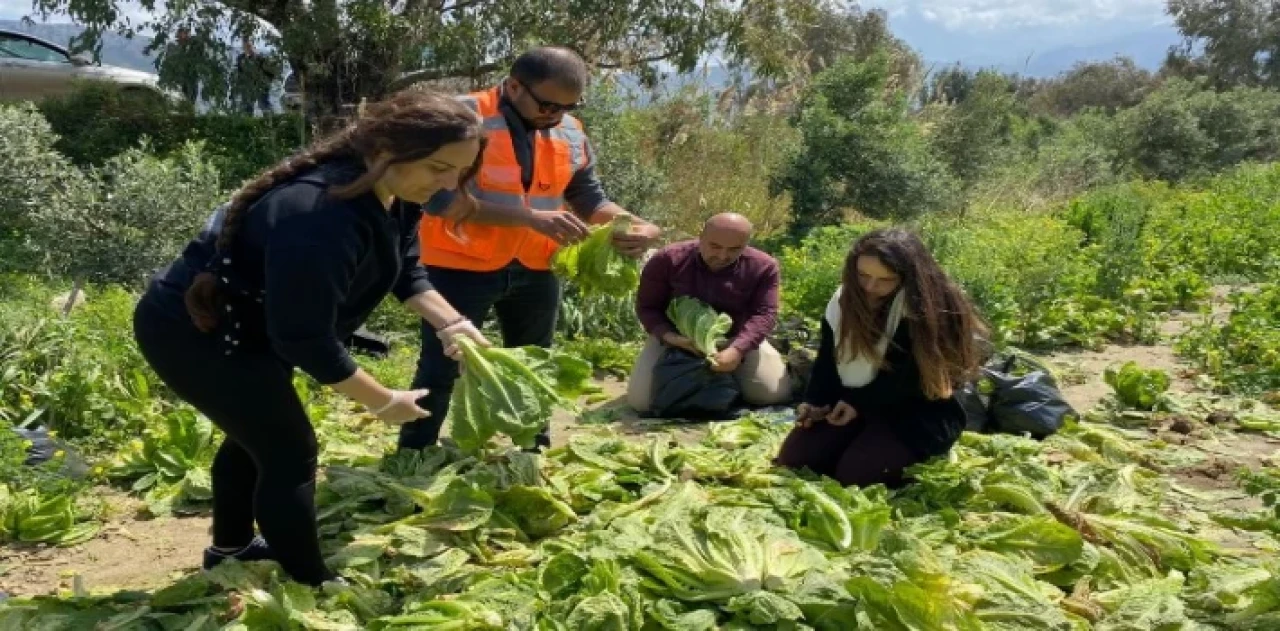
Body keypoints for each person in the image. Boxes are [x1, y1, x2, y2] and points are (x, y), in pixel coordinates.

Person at [131, 90, 492, 586]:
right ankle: (312, 580)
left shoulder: (396, 193)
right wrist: (383, 401)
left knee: (255, 436)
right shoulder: (320, 214)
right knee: (289, 452)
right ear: (386, 148)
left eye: (459, 170)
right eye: (437, 167)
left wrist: (453, 323)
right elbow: (304, 338)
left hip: (255, 327)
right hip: (195, 332)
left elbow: (405, 269)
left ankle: (230, 549)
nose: (449, 183)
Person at [400, 46, 663, 451]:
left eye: (568, 106)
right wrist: (529, 217)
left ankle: (532, 449)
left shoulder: (570, 130)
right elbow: (439, 201)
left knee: (536, 362)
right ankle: (413, 454)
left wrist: (635, 224)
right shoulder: (460, 116)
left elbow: (590, 199)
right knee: (441, 366)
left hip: (536, 267)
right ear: (514, 85)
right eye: (547, 105)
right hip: (458, 265)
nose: (555, 115)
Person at [774, 228, 987, 488]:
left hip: (915, 409)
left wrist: (857, 404)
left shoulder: (929, 309)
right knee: (796, 459)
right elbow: (829, 358)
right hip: (856, 400)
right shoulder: (844, 299)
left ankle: (924, 452)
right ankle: (860, 438)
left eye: (885, 279)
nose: (871, 287)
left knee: (857, 476)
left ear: (908, 277)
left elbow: (909, 378)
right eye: (863, 276)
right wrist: (816, 401)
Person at [628, 213, 792, 413]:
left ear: (746, 244)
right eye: (715, 246)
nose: (722, 256)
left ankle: (728, 384)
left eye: (734, 249)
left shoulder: (763, 266)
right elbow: (648, 308)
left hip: (737, 338)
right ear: (700, 237)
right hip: (677, 338)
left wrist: (737, 349)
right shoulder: (667, 259)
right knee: (641, 403)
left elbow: (765, 314)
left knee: (772, 394)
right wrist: (670, 337)